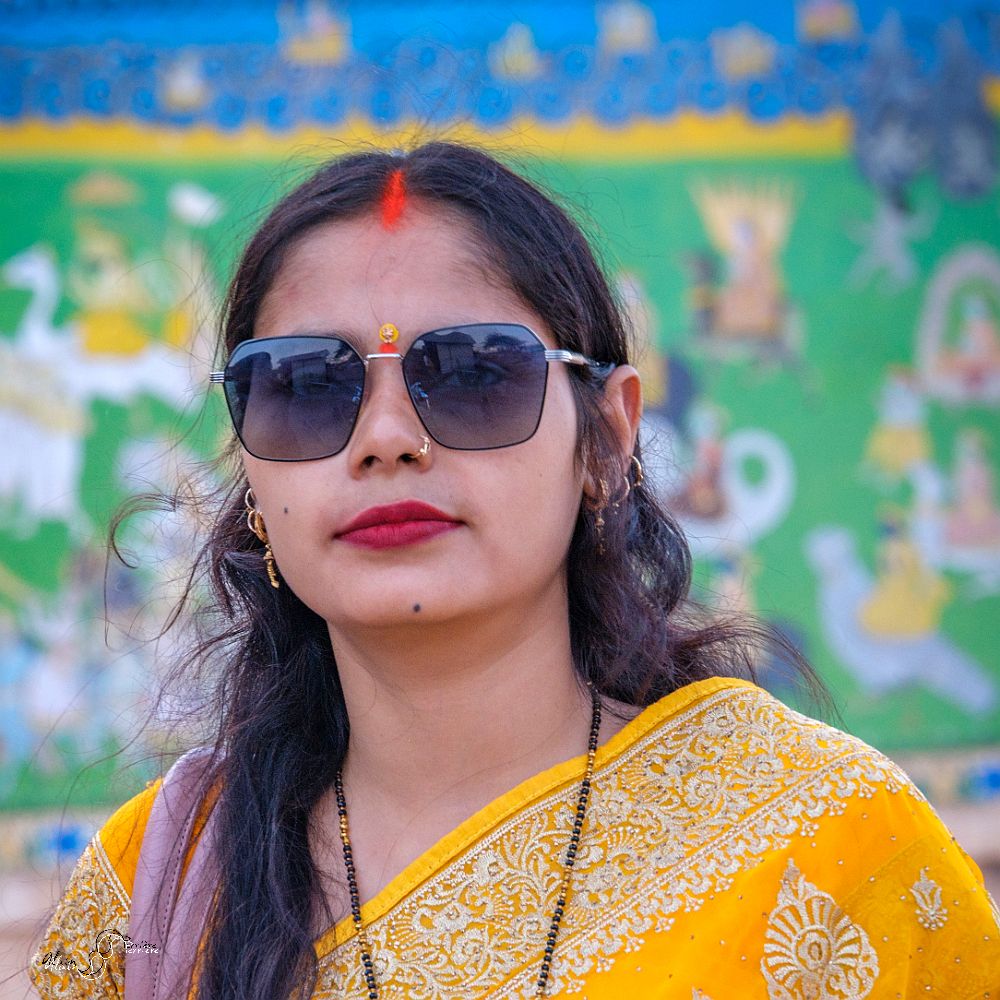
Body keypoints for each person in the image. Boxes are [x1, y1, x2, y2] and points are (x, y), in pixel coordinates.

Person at [28, 141, 1000, 999]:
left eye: (473, 372)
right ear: (250, 465)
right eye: (304, 385)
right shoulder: (152, 890)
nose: (386, 438)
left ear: (607, 438)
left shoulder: (828, 844)